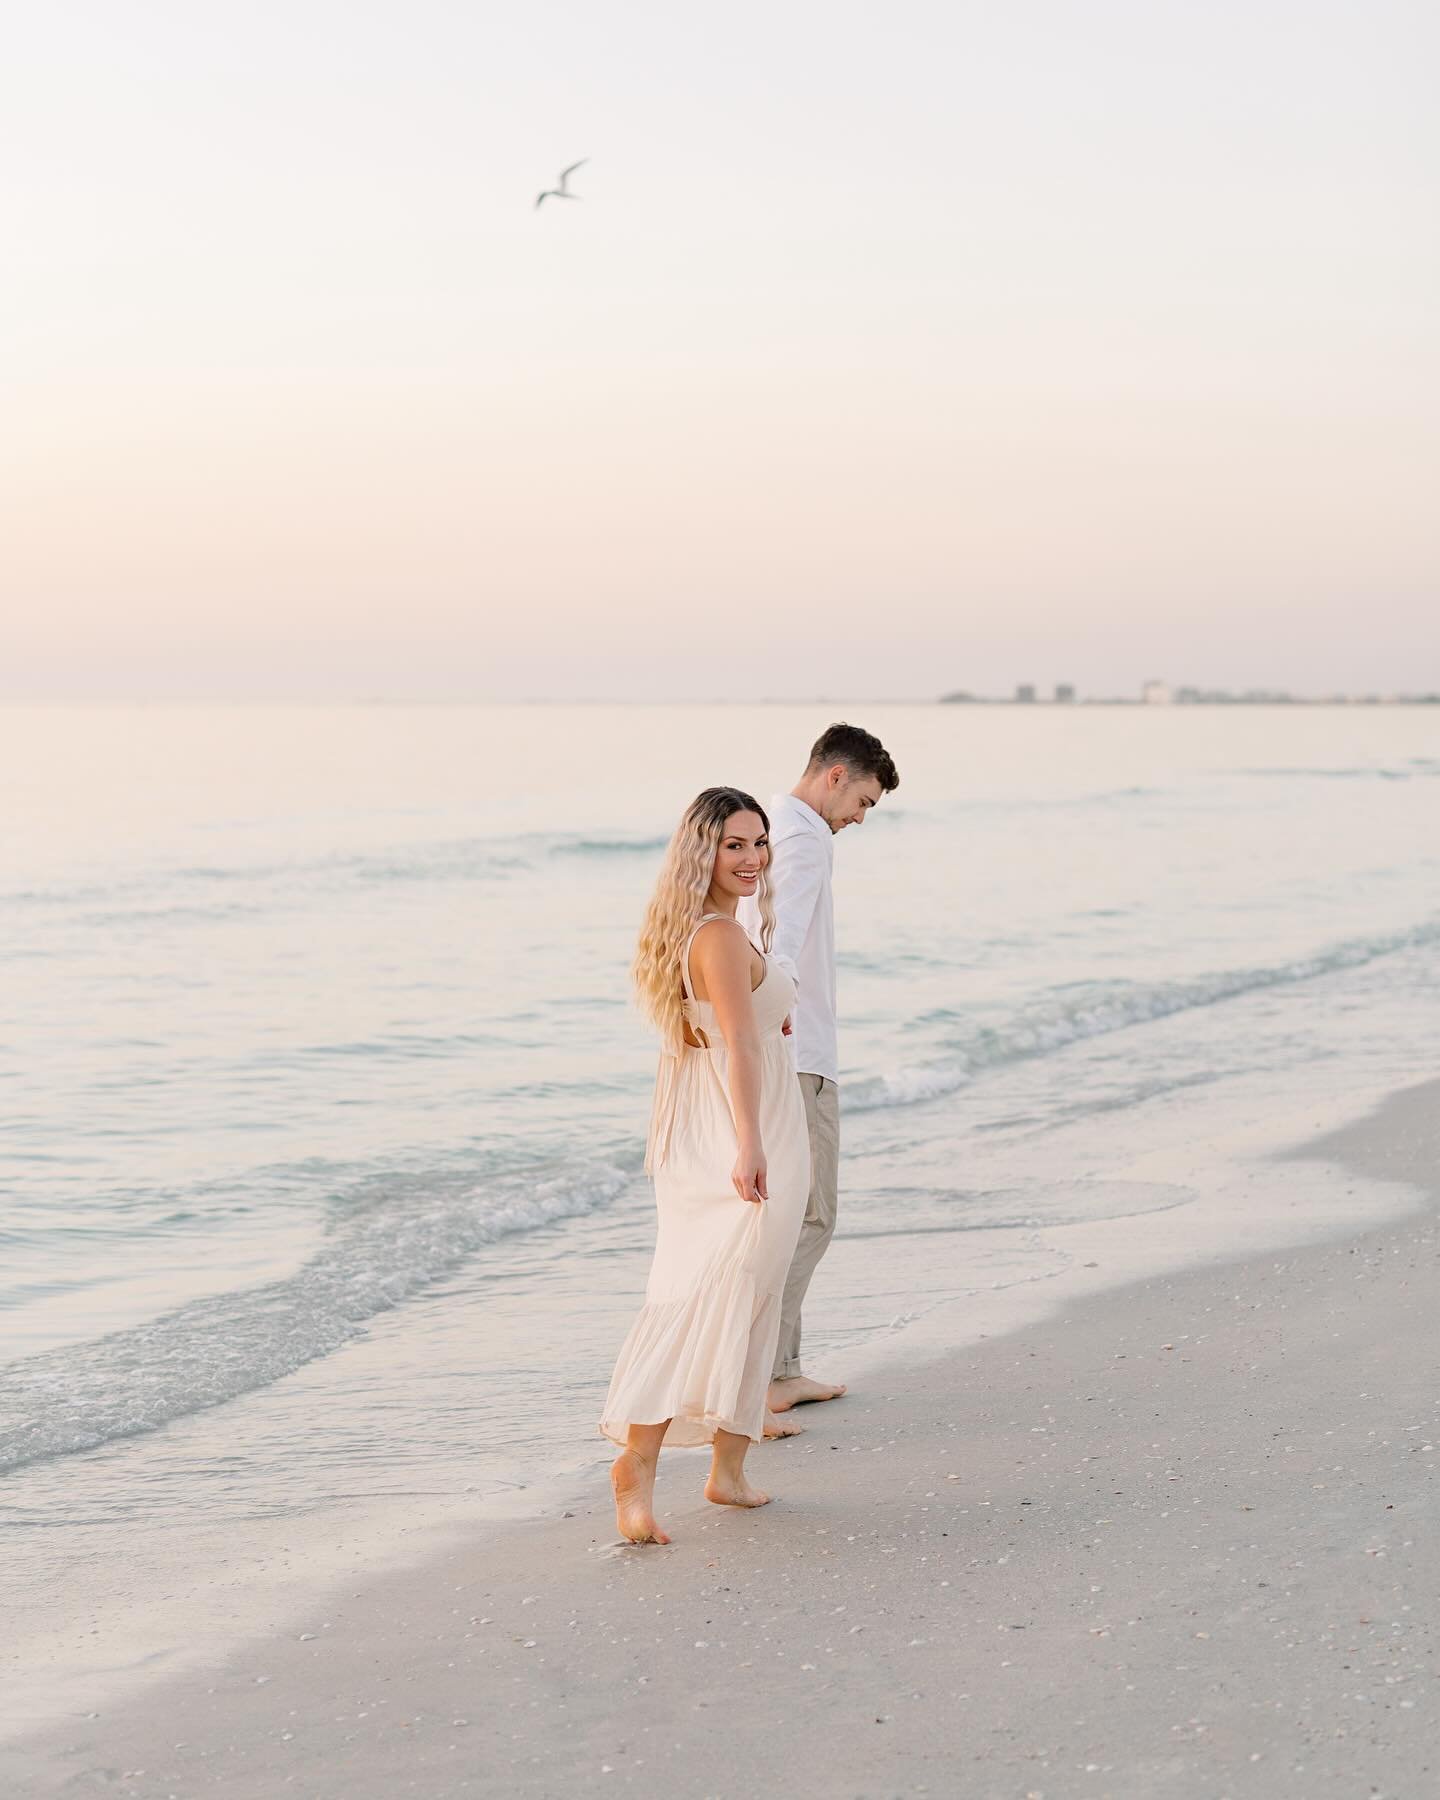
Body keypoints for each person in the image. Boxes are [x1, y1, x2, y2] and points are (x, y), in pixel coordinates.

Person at [600, 788, 810, 1544]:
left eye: (759, 842)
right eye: (734, 845)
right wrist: (751, 1144)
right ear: (704, 852)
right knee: (718, 1295)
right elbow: (740, 1047)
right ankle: (640, 1458)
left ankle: (728, 1471)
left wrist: (771, 1004)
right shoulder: (717, 937)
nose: (752, 857)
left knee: (740, 1292)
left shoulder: (709, 930)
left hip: (717, 1125)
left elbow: (730, 1030)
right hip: (744, 1132)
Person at [737, 722, 900, 1431]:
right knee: (809, 1215)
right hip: (798, 1056)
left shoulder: (776, 832)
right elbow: (777, 944)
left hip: (788, 1051)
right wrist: (780, 1022)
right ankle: (759, 1377)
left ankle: (778, 1371)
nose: (860, 818)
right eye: (863, 800)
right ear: (835, 776)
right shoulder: (802, 839)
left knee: (792, 1217)